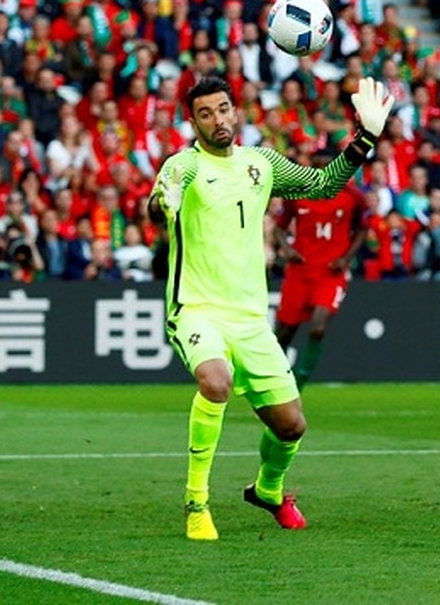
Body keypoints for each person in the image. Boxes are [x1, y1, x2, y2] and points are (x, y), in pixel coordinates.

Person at [149, 76, 393, 541]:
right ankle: (196, 501)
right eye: (206, 113)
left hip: (248, 317)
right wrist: (163, 204)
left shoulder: (260, 163)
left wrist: (366, 137)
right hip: (196, 308)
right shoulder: (183, 166)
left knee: (291, 425)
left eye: (223, 109)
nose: (217, 119)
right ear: (193, 121)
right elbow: (159, 203)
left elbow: (323, 185)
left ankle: (268, 488)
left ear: (235, 112)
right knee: (215, 383)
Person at [273, 146, 369, 389]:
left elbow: (363, 229)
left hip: (330, 273)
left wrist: (346, 258)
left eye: (326, 166)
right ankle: (271, 379)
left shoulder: (352, 196)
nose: (321, 170)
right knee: (285, 332)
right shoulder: (296, 194)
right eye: (317, 166)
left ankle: (299, 381)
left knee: (318, 327)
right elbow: (278, 228)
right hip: (300, 272)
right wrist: (287, 249)